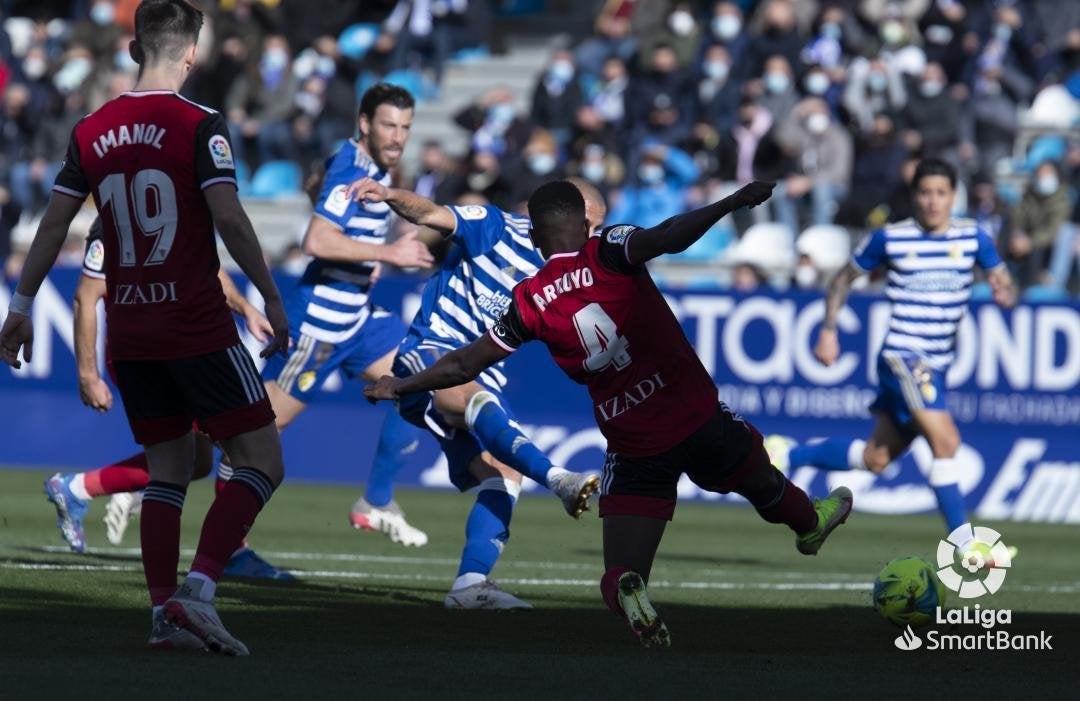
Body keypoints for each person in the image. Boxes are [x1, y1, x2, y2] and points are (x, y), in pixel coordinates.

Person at [363, 180, 854, 646]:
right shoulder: (609, 249)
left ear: (535, 236)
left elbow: (464, 363)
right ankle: (809, 522)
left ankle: (626, 586)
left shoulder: (528, 301)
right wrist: (729, 203)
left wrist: (402, 383)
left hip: (635, 442)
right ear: (585, 227)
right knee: (760, 480)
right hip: (695, 414)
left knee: (619, 569)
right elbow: (668, 235)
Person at [1, 0, 289, 656]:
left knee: (169, 470)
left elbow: (52, 226)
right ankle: (199, 592)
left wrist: (19, 307)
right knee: (261, 460)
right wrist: (270, 295)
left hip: (130, 334)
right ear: (191, 53)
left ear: (134, 49)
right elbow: (231, 218)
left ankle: (164, 614)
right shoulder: (200, 124)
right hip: (197, 326)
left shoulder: (90, 129)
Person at [344, 176, 606, 609]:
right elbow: (430, 213)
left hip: (483, 373)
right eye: (588, 224)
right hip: (429, 353)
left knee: (504, 476)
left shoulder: (566, 273)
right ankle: (559, 478)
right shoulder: (494, 226)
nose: (591, 236)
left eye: (597, 229)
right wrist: (391, 195)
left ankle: (469, 586)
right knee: (470, 394)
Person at [776, 159, 1016, 545]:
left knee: (876, 458)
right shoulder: (890, 238)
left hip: (937, 362)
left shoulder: (974, 237)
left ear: (953, 196)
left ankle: (788, 455)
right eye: (925, 193)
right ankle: (967, 547)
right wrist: (828, 330)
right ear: (914, 196)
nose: (933, 202)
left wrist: (1005, 290)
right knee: (946, 441)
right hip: (903, 355)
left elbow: (1002, 278)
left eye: (941, 193)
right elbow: (842, 279)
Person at [44, 218, 293, 578]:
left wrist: (247, 309)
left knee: (196, 462)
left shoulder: (181, 195)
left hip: (184, 344)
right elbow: (87, 295)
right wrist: (88, 373)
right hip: (151, 350)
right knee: (240, 444)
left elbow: (208, 267)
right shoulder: (116, 213)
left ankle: (78, 488)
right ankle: (231, 554)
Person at [257, 83, 433, 548]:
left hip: (357, 318)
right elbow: (317, 241)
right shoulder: (349, 168)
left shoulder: (378, 167)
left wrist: (371, 262)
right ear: (364, 124)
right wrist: (387, 253)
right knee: (250, 432)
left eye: (405, 128)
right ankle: (143, 473)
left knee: (422, 377)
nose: (397, 137)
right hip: (320, 324)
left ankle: (376, 501)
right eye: (388, 125)